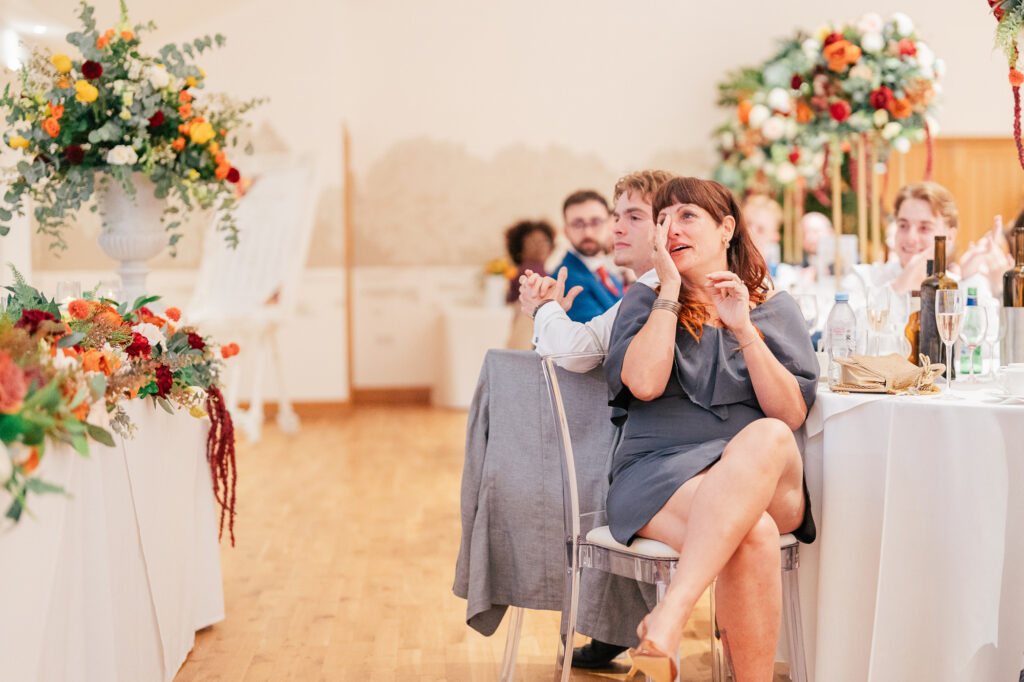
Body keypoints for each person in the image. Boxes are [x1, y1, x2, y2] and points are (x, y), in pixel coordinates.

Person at [604, 177, 817, 681]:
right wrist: (669, 294)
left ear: (726, 228)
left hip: (765, 477)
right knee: (754, 534)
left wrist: (743, 328)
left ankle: (670, 615)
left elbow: (789, 415)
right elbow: (644, 384)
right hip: (659, 477)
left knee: (767, 435)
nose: (670, 228)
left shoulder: (774, 308)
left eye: (685, 216)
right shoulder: (647, 300)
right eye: (661, 219)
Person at [518, 171, 675, 373]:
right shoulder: (567, 278)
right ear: (566, 231)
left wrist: (544, 309)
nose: (617, 228)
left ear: (667, 225)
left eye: (634, 217)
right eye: (616, 218)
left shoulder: (658, 285)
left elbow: (578, 354)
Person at [846, 181, 1001, 297]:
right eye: (903, 225)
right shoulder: (864, 279)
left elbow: (983, 337)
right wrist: (897, 288)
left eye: (924, 228)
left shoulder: (962, 285)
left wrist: (968, 278)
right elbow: (840, 335)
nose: (911, 238)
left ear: (950, 237)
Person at [556, 190, 623, 322]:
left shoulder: (605, 272)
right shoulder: (564, 281)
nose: (588, 232)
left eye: (596, 222)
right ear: (566, 231)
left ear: (610, 224)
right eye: (577, 224)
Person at [743, 194, 798, 290]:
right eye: (747, 224)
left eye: (760, 229)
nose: (750, 232)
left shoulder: (784, 275)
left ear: (775, 236)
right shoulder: (728, 271)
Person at [503, 220, 555, 304]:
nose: (540, 246)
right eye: (532, 242)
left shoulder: (547, 273)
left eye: (544, 241)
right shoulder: (526, 273)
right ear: (519, 249)